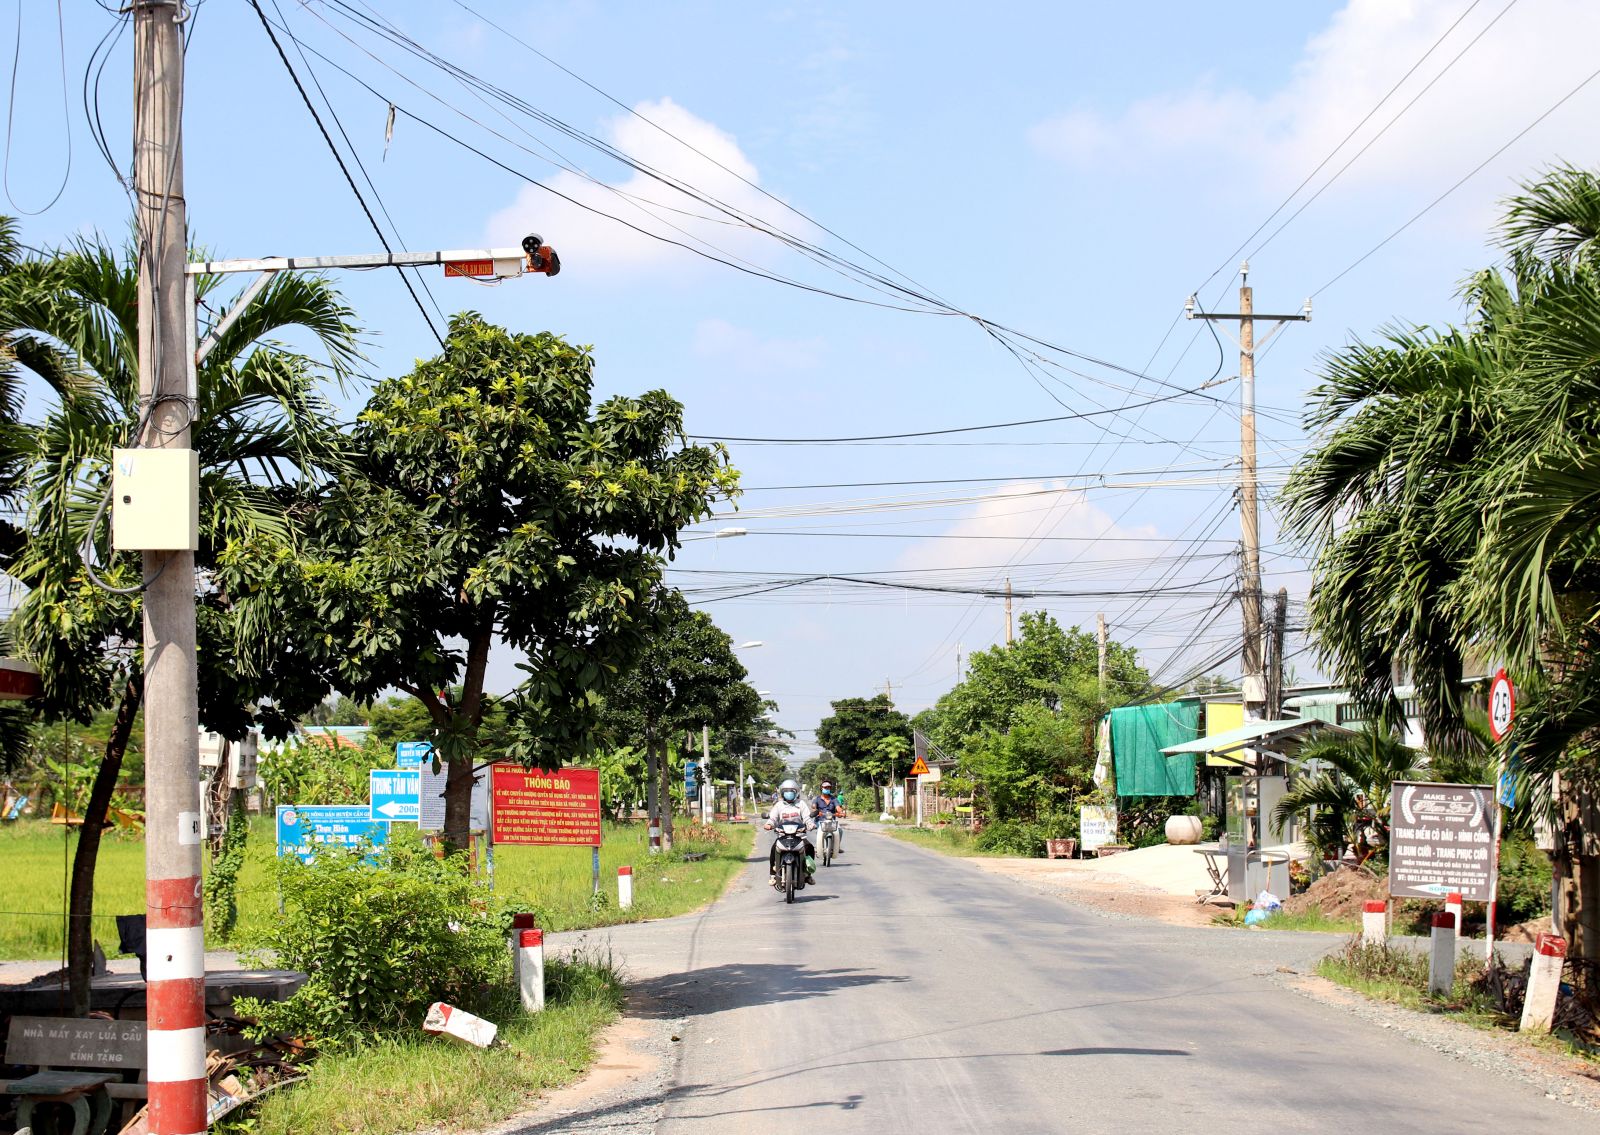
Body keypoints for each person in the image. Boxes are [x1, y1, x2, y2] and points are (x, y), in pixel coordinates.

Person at [765, 778, 815, 887]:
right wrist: (769, 824)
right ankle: (773, 875)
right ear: (782, 793)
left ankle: (808, 874)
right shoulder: (778, 805)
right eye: (786, 791)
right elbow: (773, 818)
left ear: (796, 792)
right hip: (783, 836)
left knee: (810, 848)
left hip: (799, 836)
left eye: (791, 791)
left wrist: (810, 824)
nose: (789, 794)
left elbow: (807, 818)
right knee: (774, 849)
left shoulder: (801, 804)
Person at [811, 780, 846, 852]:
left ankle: (837, 847)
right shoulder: (817, 799)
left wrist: (841, 812)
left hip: (831, 821)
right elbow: (814, 807)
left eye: (829, 788)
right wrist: (816, 811)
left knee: (840, 830)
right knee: (819, 831)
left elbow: (838, 807)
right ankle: (818, 847)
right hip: (820, 820)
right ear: (821, 788)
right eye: (825, 787)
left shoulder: (834, 799)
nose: (827, 789)